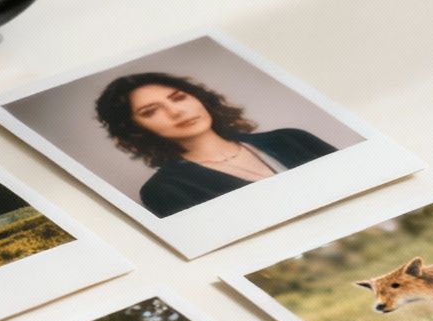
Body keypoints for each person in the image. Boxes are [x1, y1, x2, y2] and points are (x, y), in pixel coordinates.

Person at [92, 72, 338, 217]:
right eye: (150, 112)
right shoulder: (164, 191)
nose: (176, 111)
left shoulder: (291, 138)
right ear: (135, 131)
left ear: (198, 98)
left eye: (178, 97)